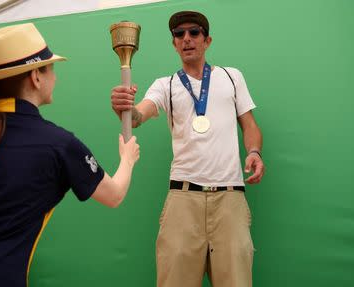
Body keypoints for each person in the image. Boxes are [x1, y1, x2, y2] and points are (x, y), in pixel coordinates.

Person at [0, 23, 139, 286]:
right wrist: (127, 159)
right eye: (51, 68)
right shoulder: (59, 145)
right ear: (36, 77)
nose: (56, 77)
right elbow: (114, 195)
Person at [111, 10, 265, 287]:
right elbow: (137, 117)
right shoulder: (165, 85)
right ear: (174, 43)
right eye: (179, 34)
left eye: (194, 32)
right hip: (183, 199)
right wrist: (124, 108)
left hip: (229, 198)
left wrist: (254, 152)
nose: (187, 38)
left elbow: (250, 125)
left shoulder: (232, 78)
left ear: (207, 41)